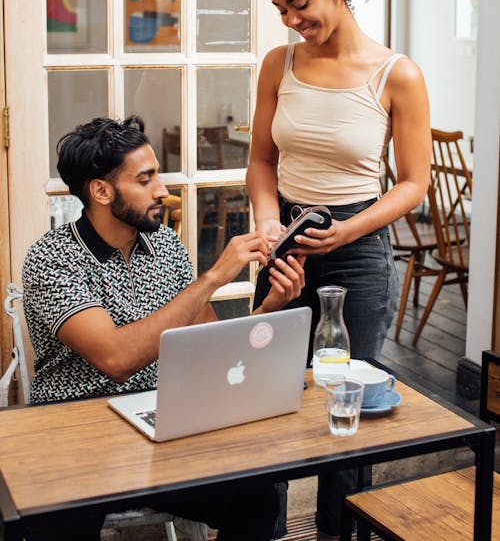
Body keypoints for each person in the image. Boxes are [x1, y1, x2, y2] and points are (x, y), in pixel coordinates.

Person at [233, 0, 431, 540]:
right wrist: (268, 224)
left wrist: (349, 230)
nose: (293, 21)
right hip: (287, 241)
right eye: (282, 11)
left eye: (300, 4)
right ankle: (261, 529)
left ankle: (337, 533)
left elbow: (413, 184)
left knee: (349, 400)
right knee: (269, 395)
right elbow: (262, 160)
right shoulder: (278, 64)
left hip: (359, 244)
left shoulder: (396, 74)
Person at [22, 115, 306, 541]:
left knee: (259, 493)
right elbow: (116, 359)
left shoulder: (165, 246)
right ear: (101, 191)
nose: (163, 191)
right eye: (146, 180)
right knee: (53, 524)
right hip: (75, 440)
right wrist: (213, 278)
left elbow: (211, 348)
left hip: (161, 425)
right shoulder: (52, 258)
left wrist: (271, 305)